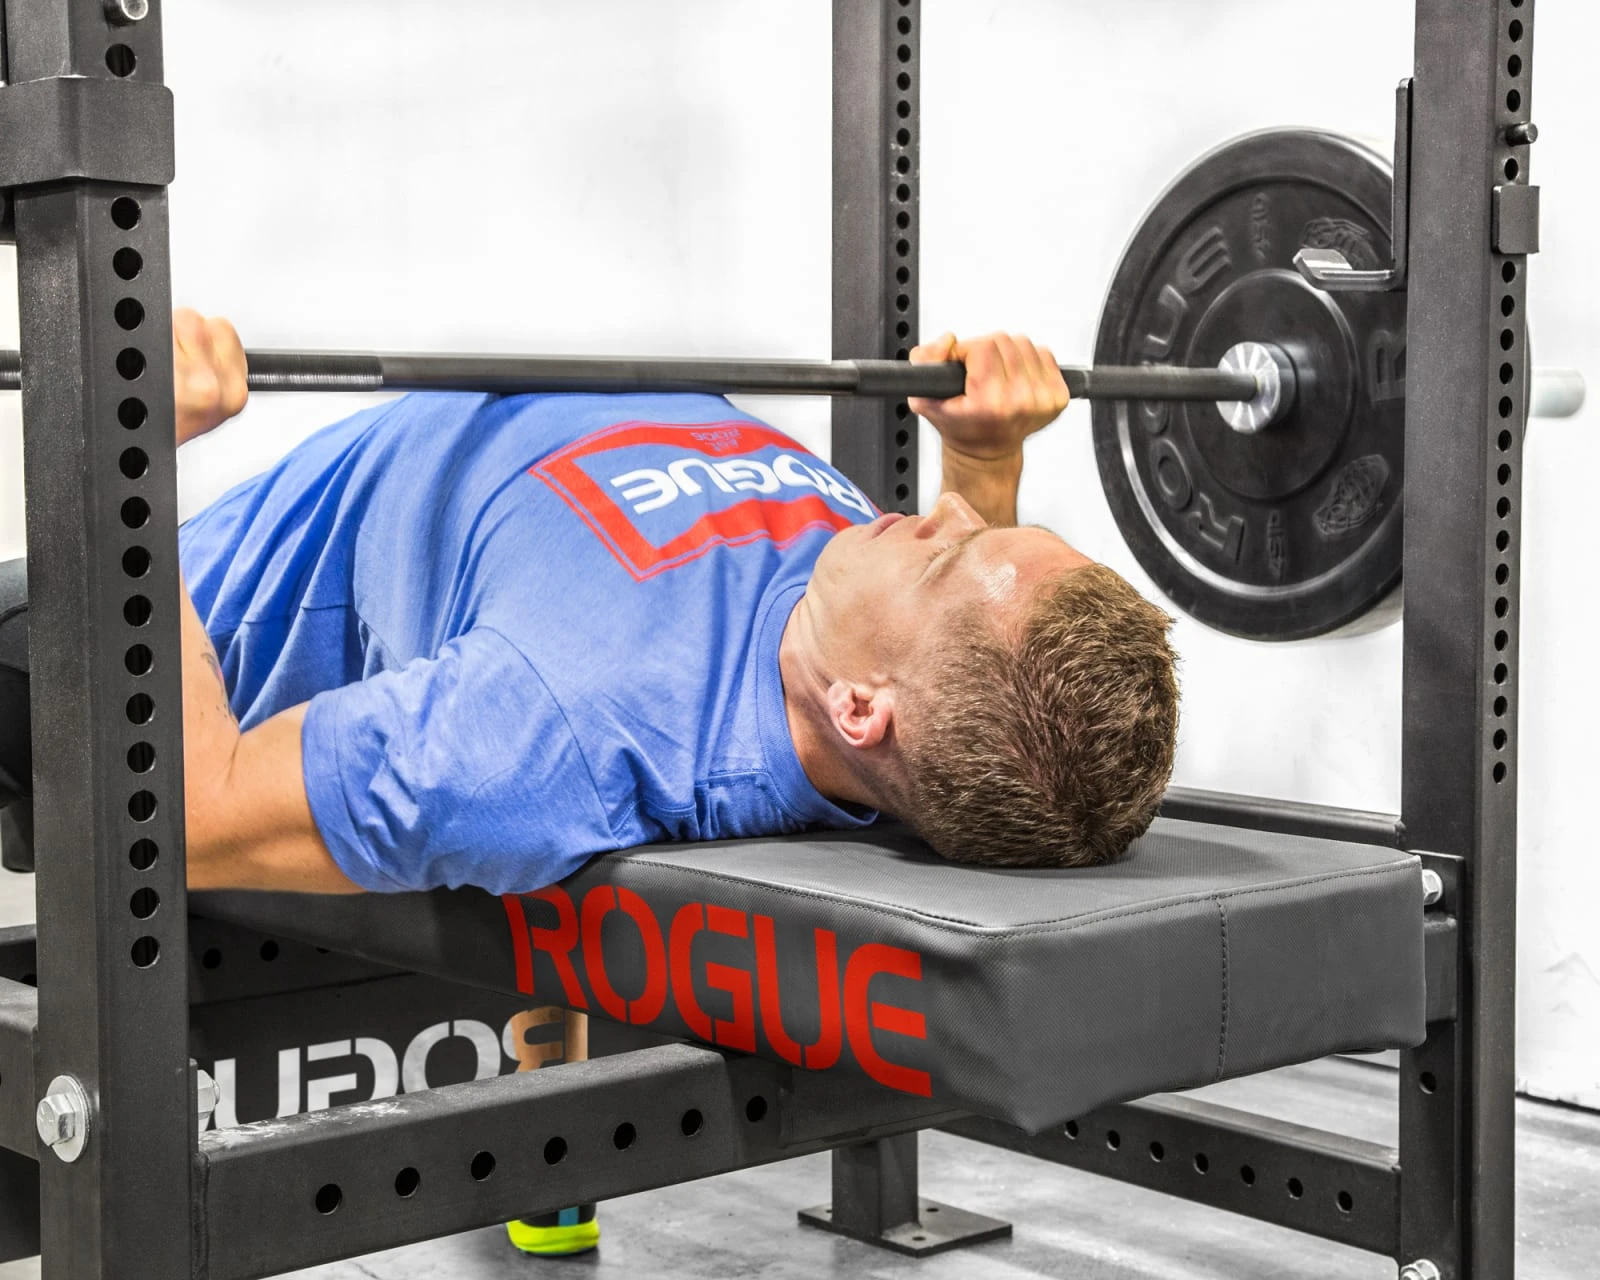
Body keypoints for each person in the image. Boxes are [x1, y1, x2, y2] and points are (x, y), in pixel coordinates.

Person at [0, 311, 1179, 897]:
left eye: (947, 549)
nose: (942, 512)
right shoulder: (866, 626)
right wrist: (987, 454)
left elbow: (186, 816)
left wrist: (129, 456)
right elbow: (966, 660)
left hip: (103, 632)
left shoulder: (549, 729)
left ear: (862, 711)